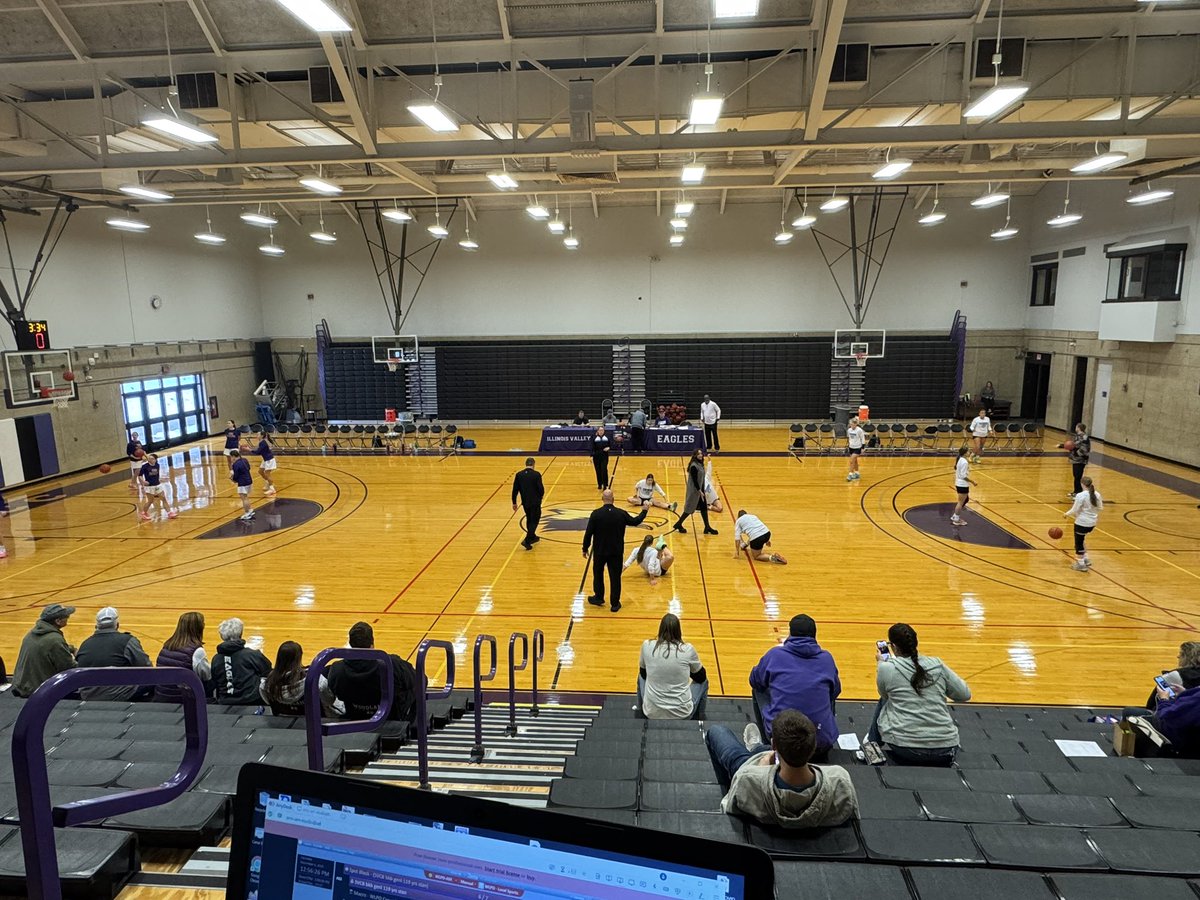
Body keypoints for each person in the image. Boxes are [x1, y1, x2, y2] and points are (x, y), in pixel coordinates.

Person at [705, 710, 858, 829]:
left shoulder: (747, 779)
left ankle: (758, 750)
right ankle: (757, 747)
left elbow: (727, 808)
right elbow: (853, 819)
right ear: (813, 747)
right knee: (758, 751)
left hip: (753, 769)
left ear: (774, 745)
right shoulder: (840, 779)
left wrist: (759, 768)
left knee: (716, 731)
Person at [866, 623, 971, 766]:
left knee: (885, 700)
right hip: (946, 748)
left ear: (894, 647)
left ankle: (871, 745)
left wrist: (881, 664)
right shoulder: (937, 664)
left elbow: (884, 694)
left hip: (906, 748)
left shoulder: (887, 668)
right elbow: (964, 694)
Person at [749, 614, 840, 758]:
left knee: (759, 688)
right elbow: (835, 691)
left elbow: (754, 680)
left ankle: (766, 744)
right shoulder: (827, 658)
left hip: (785, 744)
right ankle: (822, 728)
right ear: (814, 635)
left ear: (790, 634)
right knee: (828, 690)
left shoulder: (775, 655)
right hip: (820, 744)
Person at [327, 621, 419, 725]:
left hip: (355, 716)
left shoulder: (337, 669)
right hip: (390, 718)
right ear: (372, 643)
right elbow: (418, 679)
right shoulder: (392, 664)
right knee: (419, 681)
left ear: (351, 644)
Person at [583, 489, 647, 613]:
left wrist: (585, 548)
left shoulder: (596, 514)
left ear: (602, 499)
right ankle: (615, 604)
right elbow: (635, 521)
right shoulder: (621, 514)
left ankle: (599, 597)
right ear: (613, 499)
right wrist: (644, 511)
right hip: (616, 552)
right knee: (615, 578)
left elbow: (588, 533)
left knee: (598, 574)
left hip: (600, 552)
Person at [74, 606, 153, 701]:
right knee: (155, 680)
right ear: (117, 625)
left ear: (97, 626)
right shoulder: (127, 641)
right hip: (117, 694)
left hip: (88, 695)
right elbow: (146, 667)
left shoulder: (85, 644)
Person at [637, 613, 707, 719]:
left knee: (640, 678)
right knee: (704, 682)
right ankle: (699, 721)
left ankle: (641, 713)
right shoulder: (687, 649)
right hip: (682, 714)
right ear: (678, 631)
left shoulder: (647, 645)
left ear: (660, 629)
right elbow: (701, 677)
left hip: (652, 713)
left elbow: (644, 674)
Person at [259, 641, 342, 717]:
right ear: (299, 657)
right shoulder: (316, 681)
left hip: (283, 719)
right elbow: (329, 701)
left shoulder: (266, 685)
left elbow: (268, 702)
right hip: (314, 721)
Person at [11, 603, 77, 697]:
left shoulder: (31, 634)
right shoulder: (55, 640)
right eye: (66, 616)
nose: (68, 618)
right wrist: (82, 658)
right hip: (39, 690)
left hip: (23, 685)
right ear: (58, 621)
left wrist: (69, 648)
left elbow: (46, 647)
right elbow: (68, 667)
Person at [211, 617, 271, 705]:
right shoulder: (252, 655)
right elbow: (268, 670)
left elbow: (214, 681)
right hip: (252, 701)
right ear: (241, 634)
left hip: (225, 702)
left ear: (222, 636)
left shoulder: (216, 659)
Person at [155, 611, 212, 702]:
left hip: (163, 695)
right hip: (184, 699)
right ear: (199, 628)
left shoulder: (167, 645)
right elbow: (207, 676)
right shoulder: (197, 651)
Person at [673, 449, 718, 536]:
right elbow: (694, 480)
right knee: (689, 509)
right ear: (695, 456)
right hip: (694, 491)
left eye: (701, 453)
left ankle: (707, 527)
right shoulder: (694, 466)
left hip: (700, 490)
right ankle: (678, 524)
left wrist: (702, 490)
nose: (700, 455)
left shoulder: (700, 464)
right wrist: (699, 491)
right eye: (698, 454)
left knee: (704, 508)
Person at [1143, 641, 1200, 710]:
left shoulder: (1174, 675)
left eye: (1181, 654)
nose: (1178, 656)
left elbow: (1151, 704)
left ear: (1188, 657)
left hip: (1170, 715)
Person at [1064, 474, 1102, 572]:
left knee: (1078, 543)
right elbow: (1100, 508)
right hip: (1092, 523)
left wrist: (1066, 514)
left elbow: (1075, 508)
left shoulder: (1080, 495)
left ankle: (1081, 564)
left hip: (1082, 523)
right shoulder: (1097, 494)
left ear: (1082, 484)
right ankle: (1086, 558)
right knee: (1082, 539)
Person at [512, 457, 545, 550]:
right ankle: (527, 540)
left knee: (529, 518)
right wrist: (541, 496)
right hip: (535, 502)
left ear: (525, 464)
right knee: (535, 519)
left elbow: (515, 490)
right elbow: (540, 488)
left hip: (525, 502)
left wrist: (514, 502)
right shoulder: (536, 474)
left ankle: (533, 536)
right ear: (533, 464)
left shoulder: (519, 475)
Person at [137, 452, 179, 522]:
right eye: (149, 458)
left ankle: (169, 513)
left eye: (152, 459)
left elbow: (154, 472)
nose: (150, 459)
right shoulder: (144, 466)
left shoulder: (157, 465)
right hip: (149, 486)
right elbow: (139, 475)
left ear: (155, 460)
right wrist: (143, 482)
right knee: (150, 501)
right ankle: (144, 513)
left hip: (157, 485)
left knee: (164, 499)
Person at [1058, 422, 1091, 498]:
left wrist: (1076, 453)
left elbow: (1076, 446)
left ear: (1078, 428)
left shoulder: (1083, 437)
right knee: (1076, 476)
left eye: (1076, 427)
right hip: (1076, 459)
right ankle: (1076, 491)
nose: (1075, 428)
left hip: (1080, 459)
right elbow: (1074, 444)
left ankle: (1078, 493)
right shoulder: (1079, 436)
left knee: (1078, 476)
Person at [951, 446, 974, 527]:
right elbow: (963, 476)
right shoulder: (964, 462)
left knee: (966, 499)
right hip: (962, 484)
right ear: (965, 453)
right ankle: (956, 519)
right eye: (968, 452)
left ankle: (955, 516)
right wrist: (972, 482)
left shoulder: (960, 459)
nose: (969, 453)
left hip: (959, 483)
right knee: (960, 503)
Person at [229, 449, 255, 521]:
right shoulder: (245, 460)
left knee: (244, 498)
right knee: (246, 497)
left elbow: (236, 476)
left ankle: (247, 512)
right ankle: (249, 510)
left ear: (234, 456)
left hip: (242, 482)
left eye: (231, 457)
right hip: (249, 480)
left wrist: (232, 479)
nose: (231, 459)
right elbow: (248, 468)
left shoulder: (235, 464)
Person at [590, 426, 611, 491]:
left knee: (604, 469)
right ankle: (599, 484)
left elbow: (611, 445)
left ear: (604, 431)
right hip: (596, 457)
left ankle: (605, 484)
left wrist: (609, 448)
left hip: (604, 456)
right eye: (600, 430)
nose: (601, 431)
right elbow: (592, 447)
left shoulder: (607, 437)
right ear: (598, 431)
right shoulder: (594, 438)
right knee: (598, 470)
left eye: (602, 430)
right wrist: (591, 456)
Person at [846, 416, 866, 482]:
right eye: (850, 424)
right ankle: (857, 473)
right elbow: (850, 438)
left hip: (858, 447)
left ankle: (850, 474)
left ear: (855, 424)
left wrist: (863, 448)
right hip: (851, 447)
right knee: (855, 461)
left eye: (852, 424)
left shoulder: (859, 430)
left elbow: (863, 439)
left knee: (851, 461)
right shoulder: (849, 430)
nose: (851, 425)